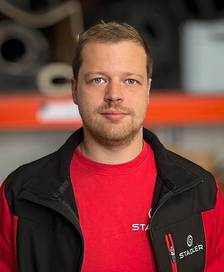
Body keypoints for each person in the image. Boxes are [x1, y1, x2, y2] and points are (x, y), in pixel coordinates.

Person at [0, 21, 224, 272]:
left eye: (130, 81)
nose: (114, 94)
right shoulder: (20, 196)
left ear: (148, 90)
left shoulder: (200, 192)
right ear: (74, 89)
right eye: (98, 80)